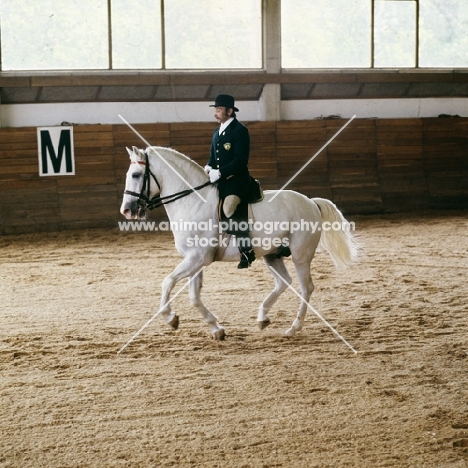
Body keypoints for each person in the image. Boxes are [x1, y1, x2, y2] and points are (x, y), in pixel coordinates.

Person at [205, 94, 255, 269]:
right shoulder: (217, 132)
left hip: (237, 181)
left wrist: (221, 172)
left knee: (227, 208)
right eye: (215, 110)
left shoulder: (240, 130)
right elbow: (213, 158)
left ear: (230, 111)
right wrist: (209, 168)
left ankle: (247, 249)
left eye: (218, 110)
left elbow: (241, 160)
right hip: (221, 182)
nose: (215, 114)